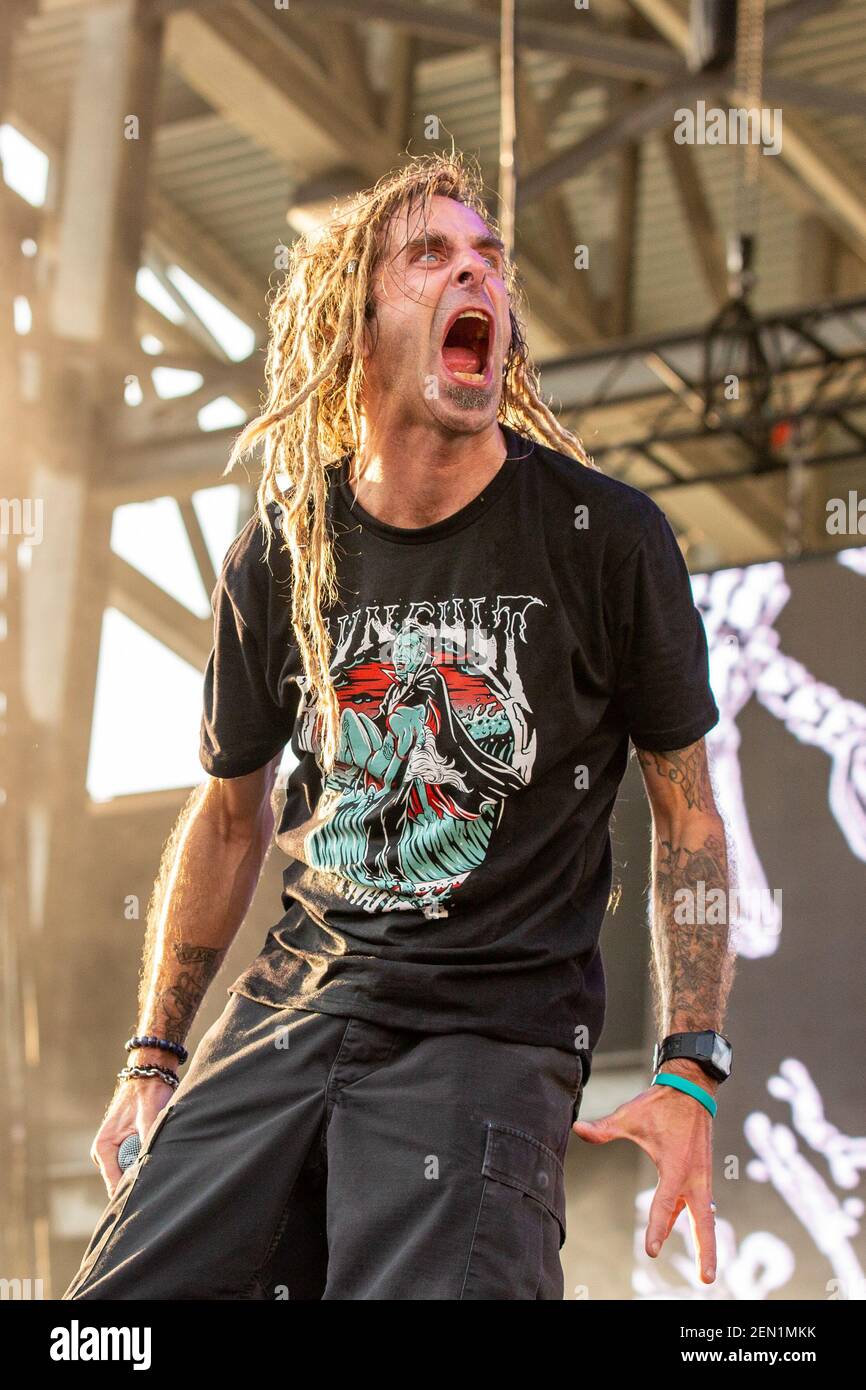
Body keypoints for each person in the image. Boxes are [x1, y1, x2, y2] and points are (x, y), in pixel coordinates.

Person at [64, 153, 735, 1302]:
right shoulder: (284, 554)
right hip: (290, 1013)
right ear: (358, 320)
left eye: (490, 258)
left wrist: (691, 1070)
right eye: (431, 253)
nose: (475, 269)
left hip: (487, 1035)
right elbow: (230, 819)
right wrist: (153, 1057)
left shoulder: (600, 536)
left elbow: (687, 815)